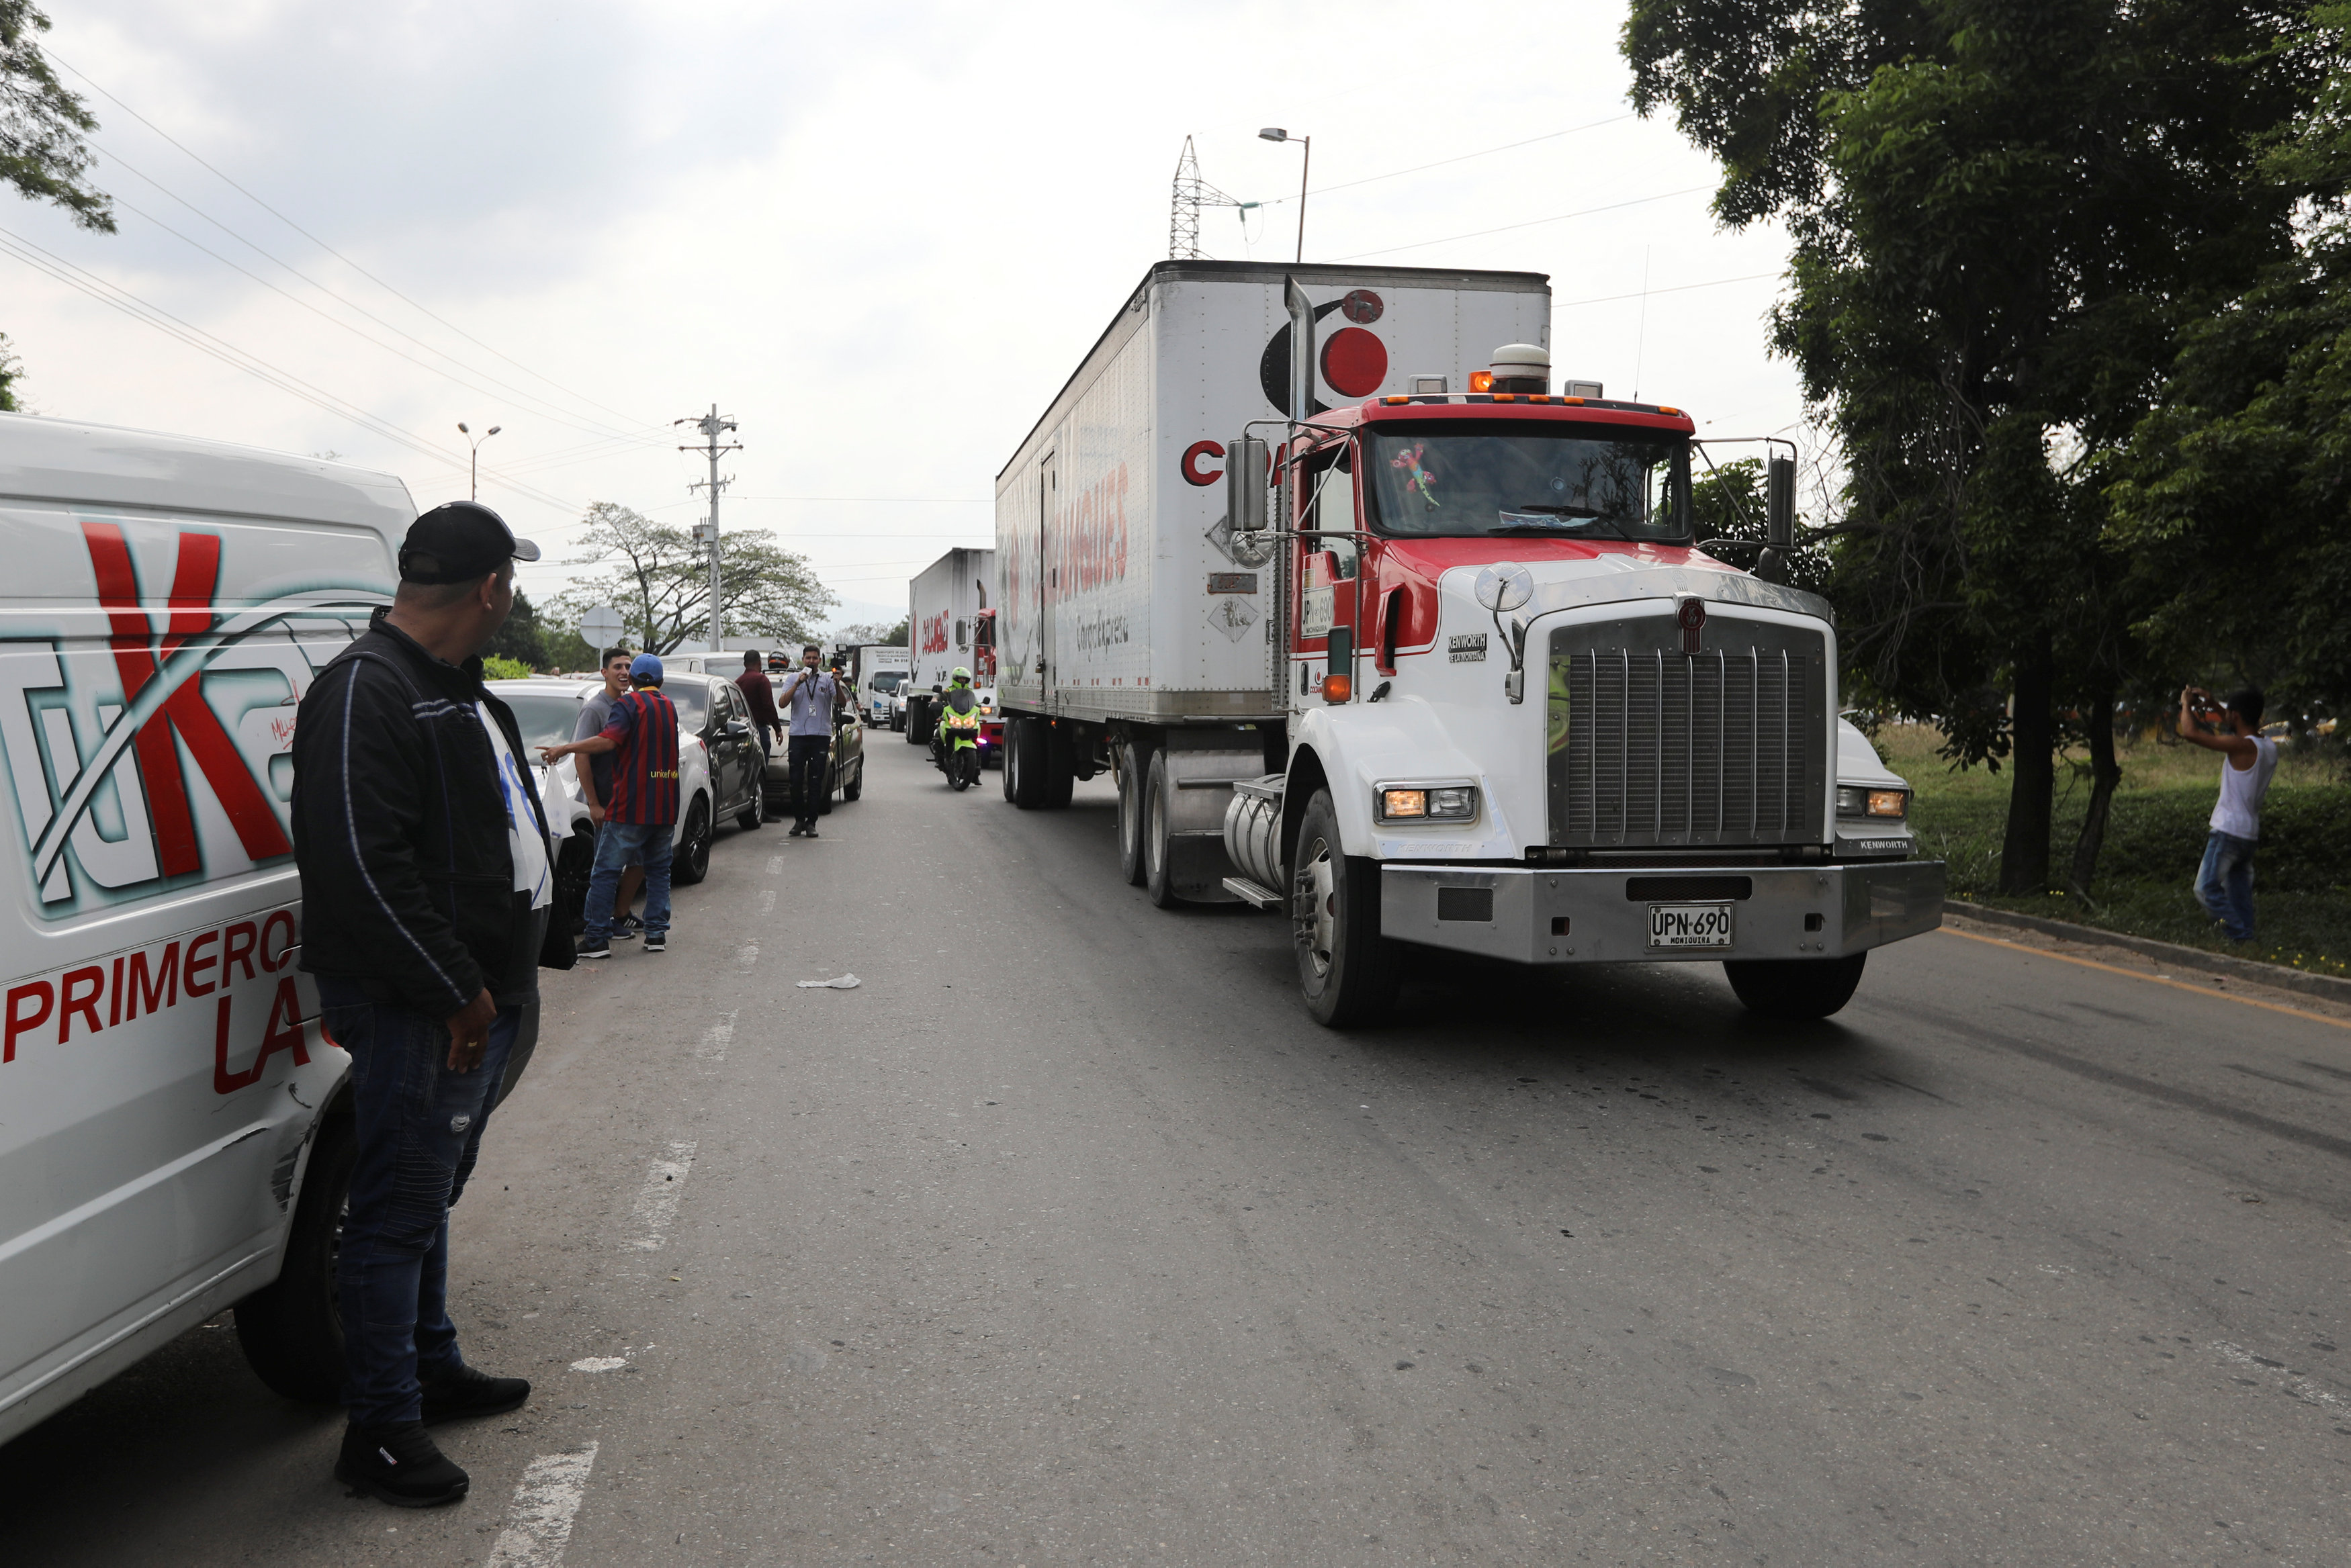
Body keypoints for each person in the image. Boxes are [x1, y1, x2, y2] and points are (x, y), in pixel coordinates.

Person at [290, 500, 548, 1509]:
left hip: (475, 991)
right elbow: (361, 864)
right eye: (511, 583)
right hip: (421, 1003)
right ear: (490, 588)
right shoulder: (367, 690)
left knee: (425, 1192)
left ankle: (431, 1365)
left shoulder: (450, 684)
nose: (512, 598)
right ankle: (382, 1428)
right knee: (394, 1211)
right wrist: (459, 991)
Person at [544, 654, 681, 957]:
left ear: (633, 680)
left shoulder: (628, 705)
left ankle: (596, 939)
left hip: (630, 807)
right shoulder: (668, 707)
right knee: (659, 871)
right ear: (660, 681)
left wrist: (566, 747)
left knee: (605, 871)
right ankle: (656, 933)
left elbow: (608, 741)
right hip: (665, 804)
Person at [2179, 685, 2279, 943]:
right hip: (2249, 835)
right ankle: (2247, 943)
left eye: (2229, 713)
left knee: (2205, 889)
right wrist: (2213, 702)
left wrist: (2186, 705)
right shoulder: (2268, 746)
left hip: (2228, 832)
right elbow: (2234, 720)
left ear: (2235, 715)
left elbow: (2189, 733)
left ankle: (2240, 936)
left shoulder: (2239, 746)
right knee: (2239, 893)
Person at [576, 647, 648, 939]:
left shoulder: (631, 705)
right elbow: (581, 755)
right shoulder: (595, 708)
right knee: (605, 869)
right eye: (617, 667)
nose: (624, 672)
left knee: (640, 861)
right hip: (604, 803)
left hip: (628, 802)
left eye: (628, 666)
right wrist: (593, 803)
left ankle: (620, 913)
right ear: (605, 673)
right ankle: (598, 926)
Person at [777, 643, 841, 837]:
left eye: (815, 658)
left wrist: (837, 683)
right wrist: (798, 683)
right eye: (808, 658)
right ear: (803, 660)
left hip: (820, 736)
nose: (811, 661)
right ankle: (798, 821)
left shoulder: (827, 679)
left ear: (819, 660)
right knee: (795, 780)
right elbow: (782, 703)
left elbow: (840, 702)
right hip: (797, 736)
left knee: (815, 780)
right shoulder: (793, 678)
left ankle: (811, 822)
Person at [736, 649, 782, 811]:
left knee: (748, 772)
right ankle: (762, 809)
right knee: (761, 771)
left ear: (744, 664)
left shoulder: (738, 682)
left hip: (743, 733)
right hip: (760, 730)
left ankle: (749, 807)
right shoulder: (761, 680)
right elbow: (768, 706)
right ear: (759, 663)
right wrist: (778, 728)